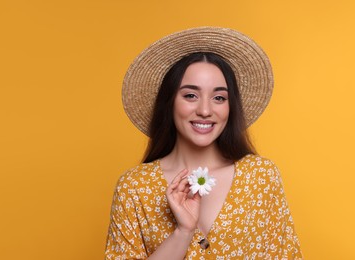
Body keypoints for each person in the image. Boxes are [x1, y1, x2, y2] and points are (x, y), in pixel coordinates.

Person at [105, 27, 303, 259]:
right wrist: (183, 231)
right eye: (190, 95)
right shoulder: (134, 188)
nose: (205, 110)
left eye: (219, 98)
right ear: (169, 102)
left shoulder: (260, 176)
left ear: (230, 107)